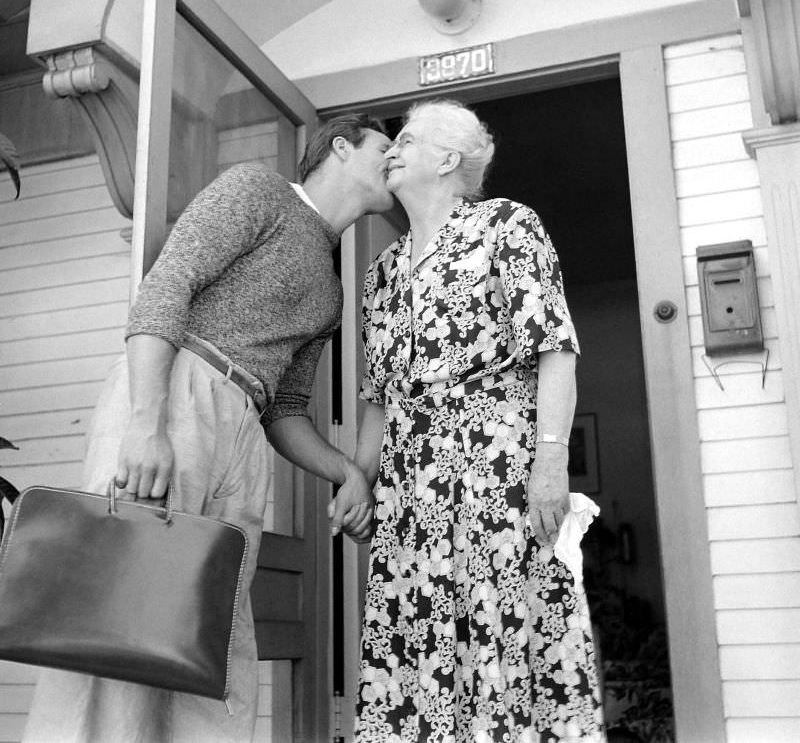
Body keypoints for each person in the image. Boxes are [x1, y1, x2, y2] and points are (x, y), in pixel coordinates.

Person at [23, 113, 387, 743]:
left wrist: (346, 470)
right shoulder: (258, 190)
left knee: (209, 627)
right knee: (121, 608)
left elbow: (288, 408)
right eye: (387, 146)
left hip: (245, 429)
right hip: (175, 389)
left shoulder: (330, 289)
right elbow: (166, 288)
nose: (396, 157)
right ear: (341, 147)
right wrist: (145, 425)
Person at [351, 100, 603, 741]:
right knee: (418, 644)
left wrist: (550, 463)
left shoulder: (505, 226)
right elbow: (379, 398)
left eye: (406, 139)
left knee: (504, 628)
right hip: (410, 492)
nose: (391, 150)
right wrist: (361, 482)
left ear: (447, 158)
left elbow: (554, 349)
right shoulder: (380, 274)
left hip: (495, 472)